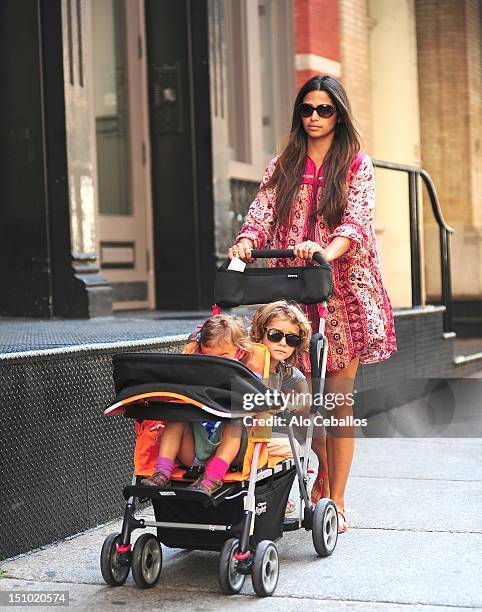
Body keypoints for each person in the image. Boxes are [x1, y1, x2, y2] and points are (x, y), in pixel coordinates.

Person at [229, 75, 397, 532]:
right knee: (304, 401)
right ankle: (315, 487)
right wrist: (245, 242)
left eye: (325, 109)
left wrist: (325, 249)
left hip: (345, 293)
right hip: (295, 297)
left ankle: (337, 501)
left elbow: (358, 221)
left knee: (337, 399)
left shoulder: (356, 164)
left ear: (339, 113)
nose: (315, 118)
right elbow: (262, 212)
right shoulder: (283, 163)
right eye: (307, 109)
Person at [141, 315, 253, 496]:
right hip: (194, 451)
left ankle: (212, 477)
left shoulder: (248, 377)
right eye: (208, 358)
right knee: (176, 419)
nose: (215, 363)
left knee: (236, 424)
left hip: (229, 456)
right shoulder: (194, 375)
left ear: (239, 352)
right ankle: (162, 472)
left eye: (223, 356)